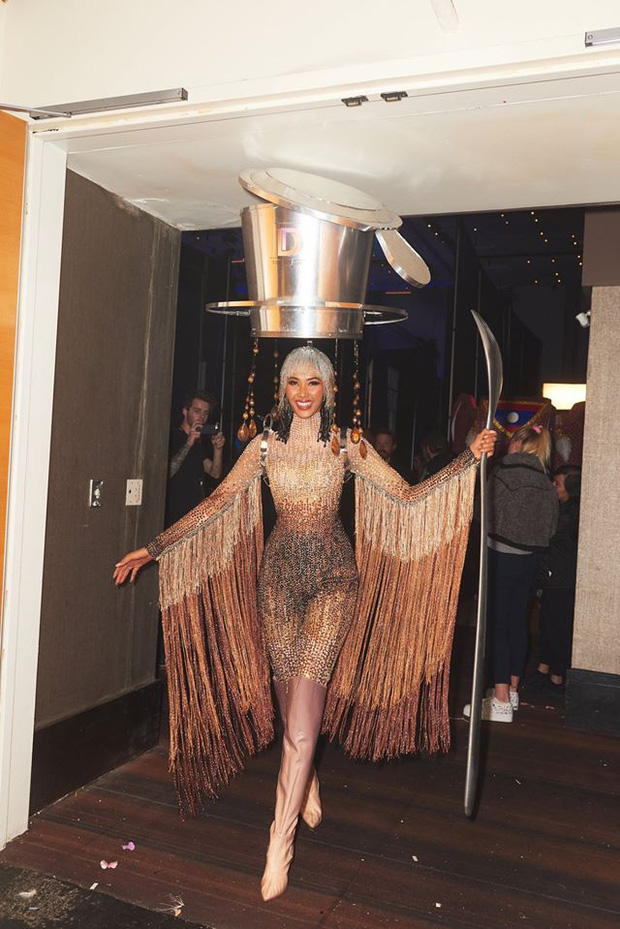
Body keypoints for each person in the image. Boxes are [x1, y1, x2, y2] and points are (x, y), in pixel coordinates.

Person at [114, 346, 496, 901]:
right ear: (282, 388)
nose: (302, 393)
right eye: (293, 382)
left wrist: (467, 459)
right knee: (290, 706)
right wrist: (154, 548)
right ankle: (306, 775)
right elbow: (218, 502)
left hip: (334, 582)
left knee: (299, 726)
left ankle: (279, 842)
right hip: (277, 584)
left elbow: (408, 497)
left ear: (329, 388)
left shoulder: (347, 444)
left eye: (313, 382)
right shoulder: (264, 446)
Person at [464, 423, 558, 724]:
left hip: (501, 554)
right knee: (518, 622)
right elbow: (551, 528)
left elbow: (482, 513)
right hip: (530, 559)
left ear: (518, 443)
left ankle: (501, 698)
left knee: (497, 624)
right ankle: (513, 689)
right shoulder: (545, 480)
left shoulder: (504, 471)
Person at [533, 467, 582, 690]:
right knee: (548, 623)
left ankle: (557, 677)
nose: (553, 487)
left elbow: (548, 535)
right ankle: (544, 668)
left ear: (571, 488)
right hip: (555, 575)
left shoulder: (571, 513)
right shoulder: (562, 508)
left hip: (562, 578)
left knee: (557, 626)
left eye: (557, 484)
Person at [166, 390, 226, 525]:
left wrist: (218, 449)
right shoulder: (172, 436)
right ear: (185, 411)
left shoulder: (198, 443)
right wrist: (188, 443)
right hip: (174, 514)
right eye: (197, 411)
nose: (202, 417)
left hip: (195, 514)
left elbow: (214, 473)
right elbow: (167, 473)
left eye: (205, 413)